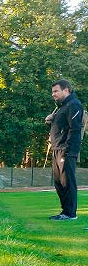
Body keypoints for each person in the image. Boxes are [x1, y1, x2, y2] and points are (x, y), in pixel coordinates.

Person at [45, 79, 84, 221]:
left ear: (66, 90)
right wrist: (52, 120)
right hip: (57, 148)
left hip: (66, 150)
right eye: (52, 92)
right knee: (59, 183)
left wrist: (69, 150)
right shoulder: (62, 107)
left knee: (67, 182)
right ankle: (65, 212)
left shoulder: (74, 105)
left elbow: (75, 130)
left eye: (56, 91)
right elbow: (61, 128)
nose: (53, 94)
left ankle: (70, 214)